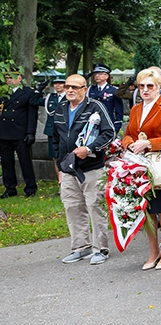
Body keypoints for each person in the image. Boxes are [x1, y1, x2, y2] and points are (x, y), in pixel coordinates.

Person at [121, 68, 161, 270]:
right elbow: (128, 133)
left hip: (159, 164)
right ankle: (153, 250)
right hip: (138, 165)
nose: (145, 90)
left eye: (150, 86)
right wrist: (130, 144)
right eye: (141, 86)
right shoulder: (136, 109)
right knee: (146, 209)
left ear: (158, 87)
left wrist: (147, 144)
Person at [53, 75, 116, 265]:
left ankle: (100, 249)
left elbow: (109, 132)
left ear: (84, 89)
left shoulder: (95, 107)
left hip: (91, 168)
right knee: (72, 207)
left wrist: (89, 149)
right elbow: (55, 138)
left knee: (95, 207)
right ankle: (81, 247)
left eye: (75, 87)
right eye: (67, 87)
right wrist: (61, 164)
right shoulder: (60, 108)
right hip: (69, 169)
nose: (70, 90)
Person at [0, 68, 39, 198]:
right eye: (7, 78)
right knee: (6, 162)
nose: (9, 80)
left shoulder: (28, 92)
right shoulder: (3, 93)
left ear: (19, 78)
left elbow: (32, 115)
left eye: (11, 77)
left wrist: (30, 132)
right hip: (4, 132)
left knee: (25, 161)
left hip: (20, 132)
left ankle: (30, 187)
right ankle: (10, 188)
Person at [43, 75, 67, 182]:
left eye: (61, 83)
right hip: (52, 130)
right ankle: (60, 183)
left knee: (67, 156)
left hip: (66, 130)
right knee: (55, 157)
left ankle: (68, 182)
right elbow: (33, 101)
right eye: (56, 83)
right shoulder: (50, 97)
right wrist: (39, 89)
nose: (58, 85)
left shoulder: (69, 97)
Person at [88, 63, 124, 133]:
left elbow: (119, 111)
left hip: (108, 125)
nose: (97, 76)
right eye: (95, 74)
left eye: (100, 74)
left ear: (106, 76)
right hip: (92, 125)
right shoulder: (91, 89)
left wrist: (116, 128)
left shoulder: (114, 90)